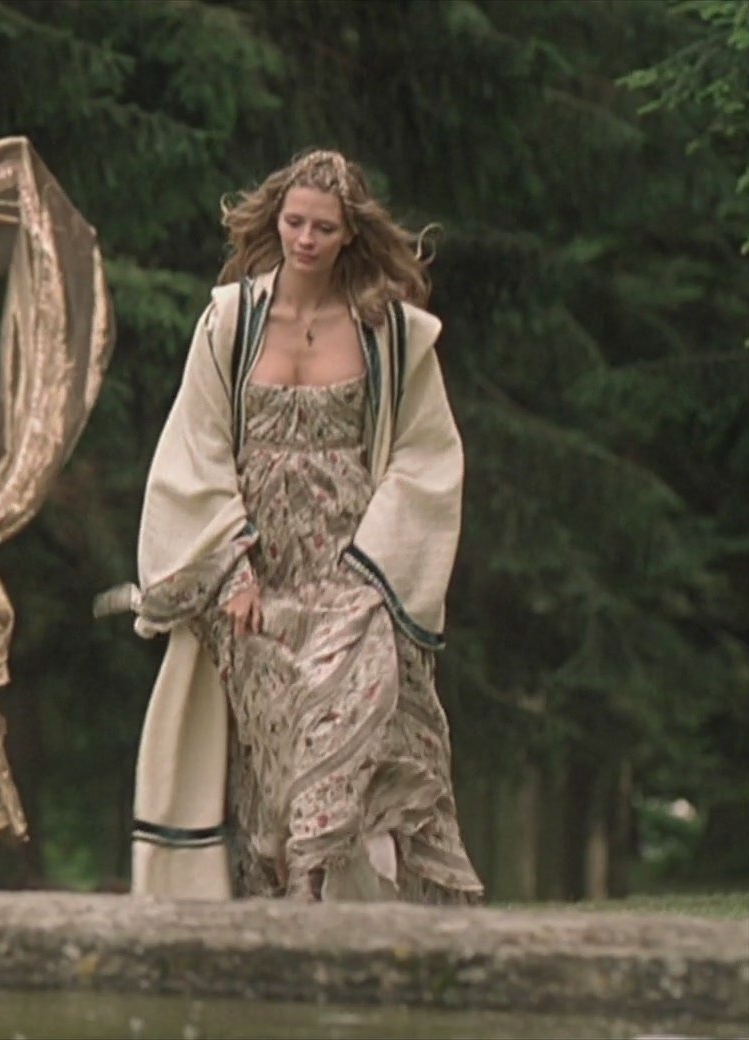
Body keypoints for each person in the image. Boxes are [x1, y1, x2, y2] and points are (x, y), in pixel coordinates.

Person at [117, 149, 483, 904]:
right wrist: (230, 567)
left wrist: (379, 570)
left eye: (323, 227)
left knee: (340, 737)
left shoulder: (392, 333)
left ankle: (330, 902)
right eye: (294, 223)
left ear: (350, 234)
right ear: (275, 220)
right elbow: (197, 445)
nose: (306, 239)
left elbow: (426, 453)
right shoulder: (231, 321)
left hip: (356, 575)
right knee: (275, 769)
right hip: (259, 585)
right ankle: (295, 923)